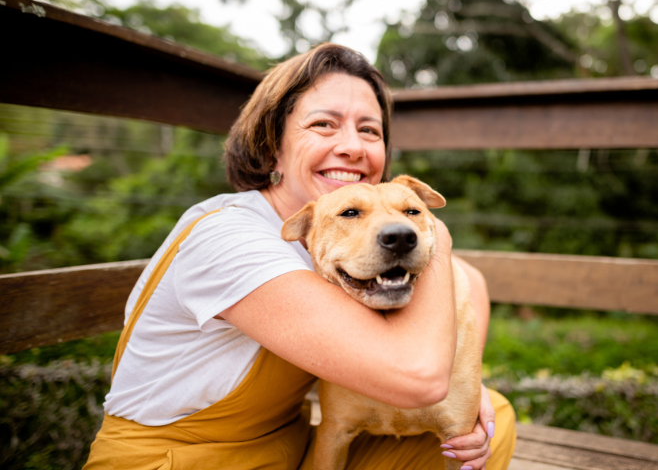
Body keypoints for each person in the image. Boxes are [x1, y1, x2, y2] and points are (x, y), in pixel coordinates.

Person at [84, 43, 516, 470]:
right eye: (324, 125)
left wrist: (461, 381)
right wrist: (434, 229)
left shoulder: (346, 242)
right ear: (272, 145)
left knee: (493, 420)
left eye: (370, 130)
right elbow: (418, 377)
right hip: (178, 461)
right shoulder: (229, 237)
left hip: (291, 451)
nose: (353, 147)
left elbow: (469, 282)